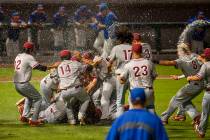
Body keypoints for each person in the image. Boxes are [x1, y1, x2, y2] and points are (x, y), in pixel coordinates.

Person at [159, 43, 203, 125]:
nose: (177, 52)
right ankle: (196, 116)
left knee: (175, 99)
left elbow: (169, 63)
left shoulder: (181, 60)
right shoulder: (195, 56)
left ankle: (163, 118)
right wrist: (179, 77)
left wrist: (156, 61)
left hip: (193, 85)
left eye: (178, 50)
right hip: (201, 84)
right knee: (184, 100)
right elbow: (199, 69)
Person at [13, 42, 52, 126]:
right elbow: (38, 67)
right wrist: (50, 67)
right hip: (23, 84)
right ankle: (34, 120)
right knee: (38, 98)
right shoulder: (29, 57)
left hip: (16, 84)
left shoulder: (18, 56)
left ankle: (25, 116)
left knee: (29, 97)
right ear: (31, 49)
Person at [120, 43, 157, 114]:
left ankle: (133, 124)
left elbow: (122, 81)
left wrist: (119, 76)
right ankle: (153, 123)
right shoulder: (149, 63)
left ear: (132, 51)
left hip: (136, 92)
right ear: (141, 51)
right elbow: (154, 76)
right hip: (148, 90)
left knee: (133, 111)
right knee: (150, 108)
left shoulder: (128, 65)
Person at [57, 50, 90, 125]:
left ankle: (72, 120)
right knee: (86, 99)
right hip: (76, 88)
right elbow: (87, 68)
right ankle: (81, 116)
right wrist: (81, 59)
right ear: (69, 56)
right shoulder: (75, 63)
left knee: (67, 104)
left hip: (64, 91)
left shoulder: (59, 66)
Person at [108, 26, 133, 118]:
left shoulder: (116, 48)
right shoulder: (133, 47)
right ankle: (132, 119)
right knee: (133, 99)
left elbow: (109, 62)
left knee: (120, 101)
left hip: (121, 76)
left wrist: (108, 70)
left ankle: (120, 121)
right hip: (132, 76)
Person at [187, 48, 210, 138]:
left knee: (205, 113)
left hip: (209, 94)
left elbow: (198, 77)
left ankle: (201, 132)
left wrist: (190, 78)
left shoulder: (205, 66)